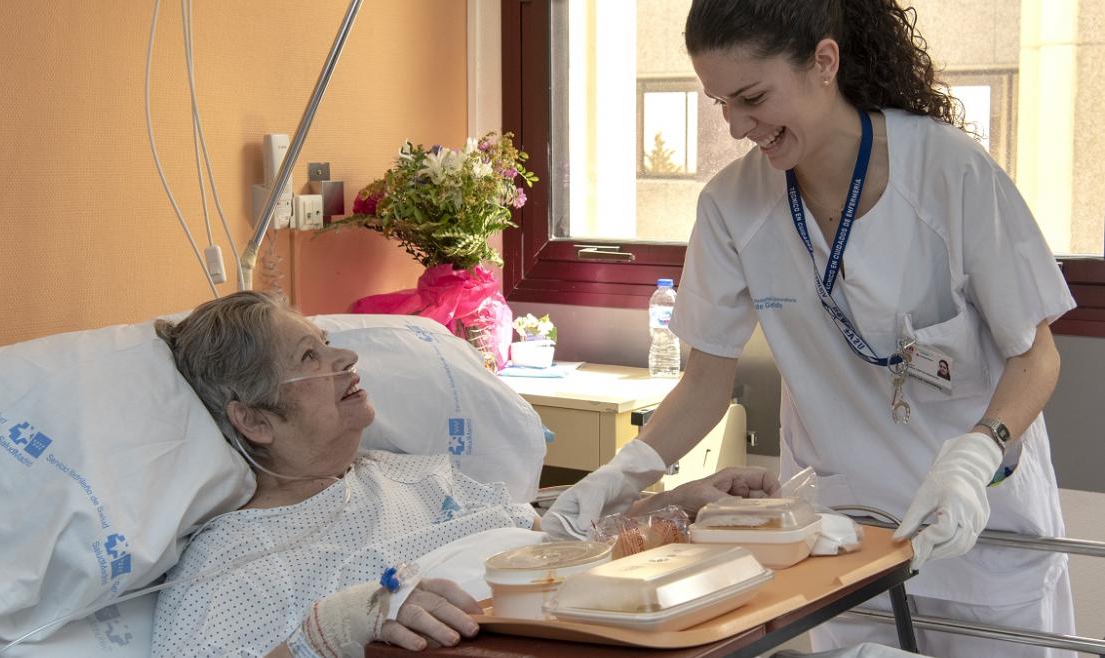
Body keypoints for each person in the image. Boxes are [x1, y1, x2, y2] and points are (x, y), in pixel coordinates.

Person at [546, 1, 1075, 656]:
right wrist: (613, 481)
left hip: (981, 532)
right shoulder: (732, 206)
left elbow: (1036, 353)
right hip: (843, 541)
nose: (738, 126)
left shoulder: (950, 173)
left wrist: (977, 454)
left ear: (824, 62)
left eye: (752, 97)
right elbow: (705, 383)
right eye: (720, 104)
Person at [151, 291, 778, 658]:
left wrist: (673, 505)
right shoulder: (233, 564)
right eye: (311, 356)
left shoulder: (417, 477)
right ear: (254, 420)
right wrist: (336, 630)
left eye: (327, 341)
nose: (345, 357)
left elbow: (539, 538)